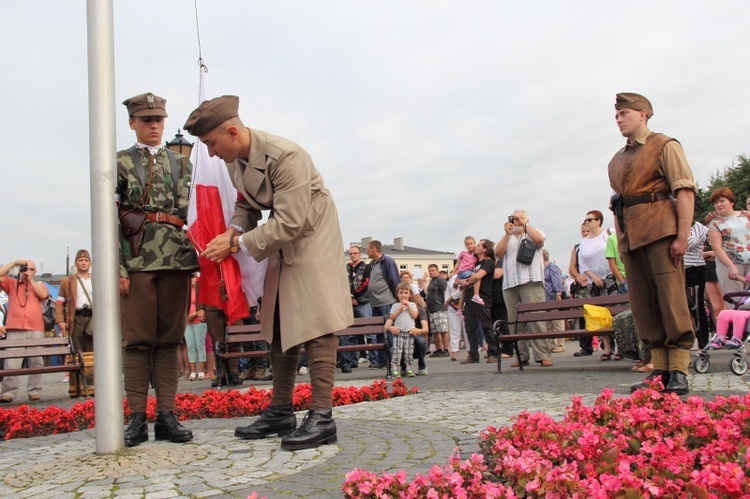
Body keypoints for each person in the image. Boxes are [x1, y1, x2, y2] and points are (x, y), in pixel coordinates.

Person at [184, 95, 352, 451]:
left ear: (232, 131)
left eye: (211, 143)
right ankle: (280, 411)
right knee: (275, 318)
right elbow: (245, 204)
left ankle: (322, 416)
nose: (211, 153)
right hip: (279, 233)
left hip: (311, 232)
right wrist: (233, 230)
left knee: (317, 320)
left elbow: (292, 221)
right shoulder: (235, 159)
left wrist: (235, 245)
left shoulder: (285, 156)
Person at [117, 92, 199, 446]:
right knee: (137, 341)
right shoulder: (119, 162)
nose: (153, 125)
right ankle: (136, 418)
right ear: (133, 122)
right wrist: (118, 266)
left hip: (176, 260)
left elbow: (193, 214)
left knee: (169, 339)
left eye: (159, 120)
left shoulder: (183, 164)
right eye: (146, 119)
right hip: (136, 261)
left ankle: (166, 415)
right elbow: (111, 218)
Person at [608, 92, 696, 395]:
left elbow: (684, 191)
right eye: (617, 115)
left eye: (625, 113)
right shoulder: (617, 160)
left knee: (671, 299)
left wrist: (682, 236)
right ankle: (659, 368)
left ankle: (679, 369)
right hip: (632, 239)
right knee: (644, 305)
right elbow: (618, 205)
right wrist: (621, 242)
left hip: (661, 231)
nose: (619, 119)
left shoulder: (665, 145)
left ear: (643, 114)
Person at [494, 210, 552, 367]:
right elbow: (497, 253)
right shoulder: (508, 238)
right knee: (515, 322)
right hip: (510, 284)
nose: (517, 220)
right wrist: (506, 234)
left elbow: (539, 240)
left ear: (528, 219)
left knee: (536, 320)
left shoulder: (534, 232)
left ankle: (543, 355)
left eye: (520, 217)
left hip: (531, 281)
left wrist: (525, 225)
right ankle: (521, 356)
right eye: (514, 218)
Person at [0, 260, 49, 403]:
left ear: (35, 271)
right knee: (12, 362)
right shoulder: (11, 284)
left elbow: (44, 295)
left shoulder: (39, 284)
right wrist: (14, 263)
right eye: (24, 269)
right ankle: (8, 392)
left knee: (36, 361)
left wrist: (31, 280)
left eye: (30, 269)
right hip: (15, 327)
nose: (27, 271)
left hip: (35, 327)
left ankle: (34, 391)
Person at [707, 187, 750, 309]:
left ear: (731, 201)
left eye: (722, 201)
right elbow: (717, 248)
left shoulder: (746, 215)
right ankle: (736, 327)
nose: (719, 205)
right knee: (736, 302)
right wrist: (731, 267)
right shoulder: (715, 223)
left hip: (749, 262)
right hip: (729, 265)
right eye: (716, 202)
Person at [456, 239, 496, 364]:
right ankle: (473, 354)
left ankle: (493, 353)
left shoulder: (488, 263)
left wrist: (465, 282)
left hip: (482, 298)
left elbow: (478, 276)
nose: (476, 247)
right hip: (469, 298)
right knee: (470, 328)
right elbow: (460, 277)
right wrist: (460, 281)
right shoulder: (475, 262)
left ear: (485, 249)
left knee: (486, 326)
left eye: (479, 245)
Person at [365, 240, 400, 370]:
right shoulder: (373, 264)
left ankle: (392, 361)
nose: (366, 251)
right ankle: (381, 361)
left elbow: (395, 281)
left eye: (368, 249)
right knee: (379, 333)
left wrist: (397, 301)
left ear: (374, 249)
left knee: (389, 333)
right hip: (375, 304)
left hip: (386, 302)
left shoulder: (387, 262)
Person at [56, 249, 94, 357]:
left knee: (93, 352)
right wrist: (60, 321)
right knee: (77, 353)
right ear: (75, 264)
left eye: (86, 260)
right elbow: (59, 303)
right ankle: (79, 374)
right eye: (80, 260)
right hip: (76, 318)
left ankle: (92, 374)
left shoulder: (97, 279)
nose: (83, 262)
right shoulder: (67, 281)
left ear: (90, 263)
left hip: (92, 318)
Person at [684, 221, 709, 348]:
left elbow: (690, 244)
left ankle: (703, 344)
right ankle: (684, 345)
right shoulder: (673, 225)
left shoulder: (700, 228)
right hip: (677, 269)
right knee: (681, 307)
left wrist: (684, 229)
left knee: (697, 306)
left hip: (695, 269)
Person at [387, 283, 419, 377]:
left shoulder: (412, 305)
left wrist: (408, 306)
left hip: (409, 331)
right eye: (401, 293)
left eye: (406, 293)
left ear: (410, 295)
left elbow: (415, 316)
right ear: (397, 294)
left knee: (409, 350)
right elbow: (392, 317)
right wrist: (399, 309)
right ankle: (394, 367)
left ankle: (408, 367)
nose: (403, 295)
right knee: (397, 350)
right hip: (399, 331)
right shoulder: (395, 306)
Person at [346, 245, 371, 365]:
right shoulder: (347, 267)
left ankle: (372, 357)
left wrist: (355, 296)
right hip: (349, 302)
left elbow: (366, 283)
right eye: (351, 253)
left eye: (355, 253)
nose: (353, 255)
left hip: (363, 301)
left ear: (360, 254)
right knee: (351, 332)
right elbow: (344, 283)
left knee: (368, 330)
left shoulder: (366, 267)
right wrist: (350, 297)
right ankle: (353, 358)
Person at [542, 249, 565, 353]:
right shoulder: (540, 268)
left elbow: (557, 281)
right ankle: (551, 344)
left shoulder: (551, 267)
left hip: (552, 297)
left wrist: (558, 294)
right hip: (543, 299)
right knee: (548, 324)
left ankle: (560, 344)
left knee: (557, 322)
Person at [184, 275, 207, 380]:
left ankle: (201, 371)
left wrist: (193, 314)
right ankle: (193, 371)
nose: (192, 280)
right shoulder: (184, 290)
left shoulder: (200, 288)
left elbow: (203, 304)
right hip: (187, 322)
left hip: (199, 320)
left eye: (193, 277)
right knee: (191, 346)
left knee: (200, 345)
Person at [450, 236, 483, 308]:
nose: (470, 246)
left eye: (471, 243)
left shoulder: (475, 253)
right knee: (477, 276)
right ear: (465, 246)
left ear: (474, 244)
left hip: (467, 272)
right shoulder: (463, 253)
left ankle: (460, 308)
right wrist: (453, 272)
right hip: (463, 271)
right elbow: (458, 263)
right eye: (467, 244)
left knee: (464, 289)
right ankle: (476, 295)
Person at [426, 264, 449, 358]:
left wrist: (445, 303)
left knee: (443, 330)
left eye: (433, 270)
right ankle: (439, 349)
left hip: (439, 308)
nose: (431, 272)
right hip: (432, 310)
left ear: (437, 271)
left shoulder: (440, 280)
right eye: (429, 271)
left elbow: (445, 291)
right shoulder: (432, 281)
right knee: (435, 331)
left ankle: (446, 349)